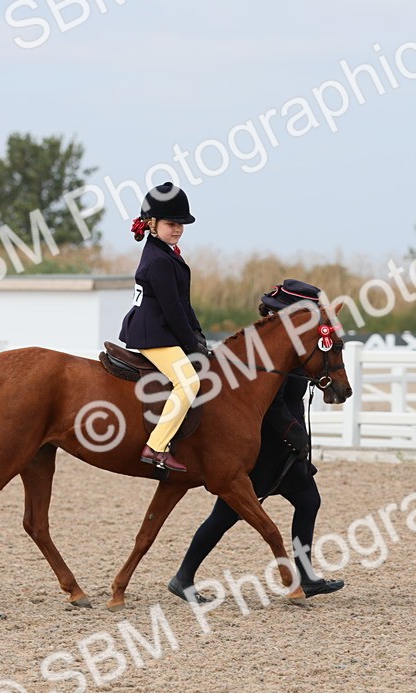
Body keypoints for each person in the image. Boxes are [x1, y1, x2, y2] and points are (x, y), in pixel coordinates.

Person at [168, 279, 345, 601]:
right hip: (267, 445)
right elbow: (270, 402)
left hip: (285, 448)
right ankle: (183, 576)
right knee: (226, 514)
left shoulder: (289, 344)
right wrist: (293, 432)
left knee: (307, 501)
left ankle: (305, 576)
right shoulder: (267, 346)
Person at [119, 183, 209, 473]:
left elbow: (184, 304)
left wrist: (198, 335)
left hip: (159, 329)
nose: (178, 229)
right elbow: (172, 310)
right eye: (172, 224)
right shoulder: (159, 260)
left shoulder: (166, 253)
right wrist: (190, 342)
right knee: (189, 382)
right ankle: (156, 446)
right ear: (152, 224)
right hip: (153, 334)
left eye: (181, 224)